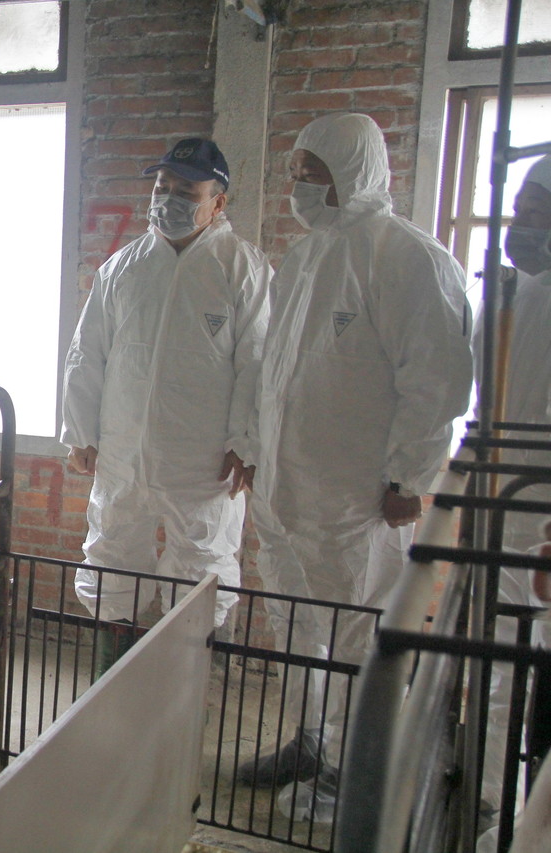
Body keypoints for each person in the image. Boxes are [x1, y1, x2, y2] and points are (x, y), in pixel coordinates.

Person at [238, 113, 474, 805]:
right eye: (296, 172)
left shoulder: (406, 258)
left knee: (356, 629)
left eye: (314, 172)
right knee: (296, 622)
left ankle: (353, 770)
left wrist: (409, 476)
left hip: (356, 494)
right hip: (286, 488)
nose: (300, 186)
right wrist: (256, 450)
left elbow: (435, 380)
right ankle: (311, 738)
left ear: (355, 171)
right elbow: (274, 370)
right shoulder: (306, 256)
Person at [61, 137, 271, 658]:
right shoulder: (124, 268)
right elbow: (88, 353)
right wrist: (81, 432)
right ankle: (111, 683)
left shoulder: (242, 269)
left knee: (201, 569)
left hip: (203, 463)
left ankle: (177, 687)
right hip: (123, 452)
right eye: (163, 187)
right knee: (111, 561)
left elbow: (259, 364)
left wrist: (246, 443)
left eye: (186, 191)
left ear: (218, 202)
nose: (169, 199)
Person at [473, 155, 551, 851]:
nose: (520, 219)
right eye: (519, 205)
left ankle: (519, 806)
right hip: (503, 501)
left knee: (533, 663)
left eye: (537, 209)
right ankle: (492, 793)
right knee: (499, 655)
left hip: (540, 511)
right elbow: (488, 391)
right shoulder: (517, 291)